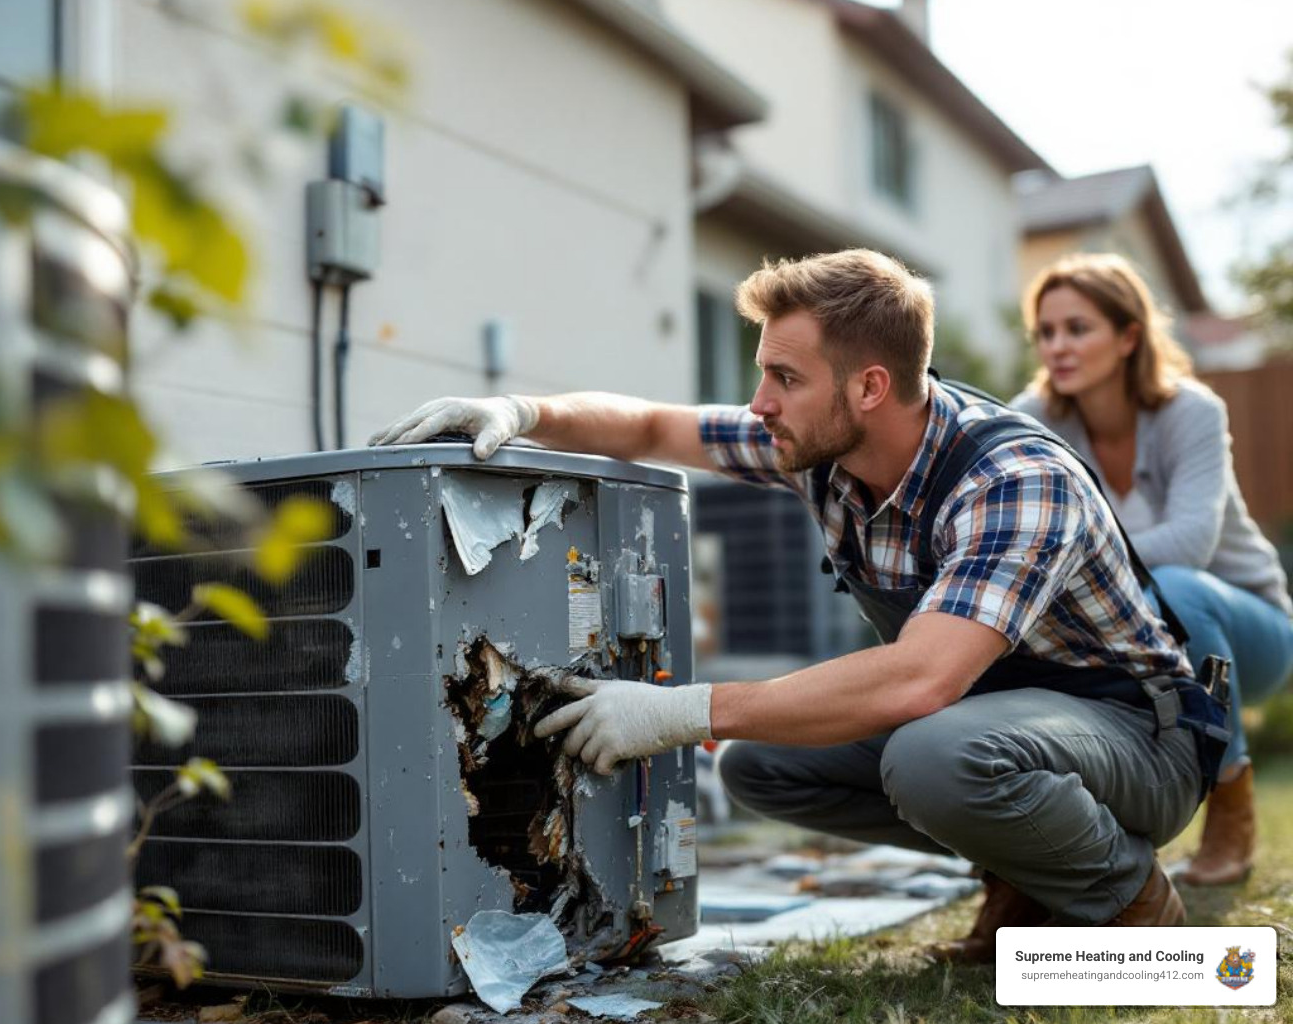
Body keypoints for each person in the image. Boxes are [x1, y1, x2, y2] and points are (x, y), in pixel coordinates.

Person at [371, 249, 1228, 961]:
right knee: (760, 765)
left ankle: (1131, 904)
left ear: (868, 387)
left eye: (785, 376)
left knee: (930, 754)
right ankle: (1030, 875)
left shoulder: (1013, 483)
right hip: (1005, 721)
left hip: (1137, 739)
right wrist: (522, 410)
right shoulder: (815, 444)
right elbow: (648, 427)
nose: (760, 404)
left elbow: (920, 680)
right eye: (762, 375)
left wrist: (683, 711)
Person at [1011, 252, 1293, 887]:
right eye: (1046, 332)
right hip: (1128, 634)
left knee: (1177, 587)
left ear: (1129, 335)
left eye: (1077, 328)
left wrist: (1081, 558)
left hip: (1254, 630)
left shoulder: (1192, 411)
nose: (1058, 345)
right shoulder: (1035, 419)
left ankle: (1230, 806)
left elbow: (1192, 542)